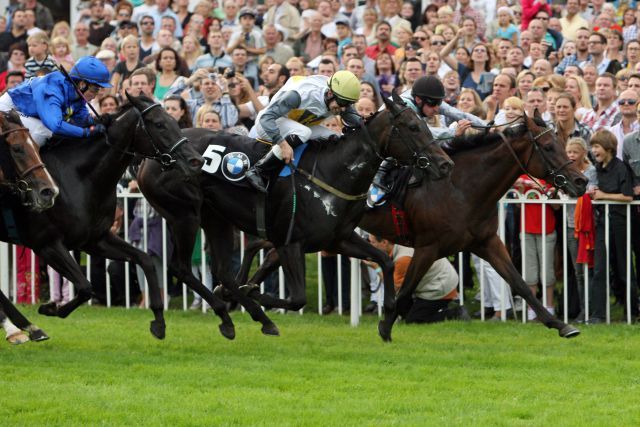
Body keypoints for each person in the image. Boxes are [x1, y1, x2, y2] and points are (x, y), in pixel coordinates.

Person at [245, 70, 363, 193]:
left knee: (334, 136)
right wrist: (283, 144)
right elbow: (266, 118)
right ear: (329, 93)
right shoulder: (300, 94)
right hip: (269, 125)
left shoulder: (339, 97)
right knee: (304, 132)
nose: (343, 109)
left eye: (349, 104)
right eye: (343, 103)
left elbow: (359, 123)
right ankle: (259, 170)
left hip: (296, 126)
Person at [0, 56, 111, 146]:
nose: (96, 96)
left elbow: (81, 118)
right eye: (95, 90)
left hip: (27, 114)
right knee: (44, 130)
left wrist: (95, 121)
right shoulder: (51, 89)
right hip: (7, 109)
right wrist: (86, 132)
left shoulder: (77, 94)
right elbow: (55, 125)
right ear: (82, 84)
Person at [589, 129, 637, 323]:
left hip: (621, 224)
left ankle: (632, 312)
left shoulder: (621, 168)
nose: (593, 151)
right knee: (599, 269)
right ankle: (598, 315)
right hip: (602, 223)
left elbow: (627, 196)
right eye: (592, 147)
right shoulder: (596, 168)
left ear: (608, 148)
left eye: (597, 146)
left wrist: (603, 196)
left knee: (625, 269)